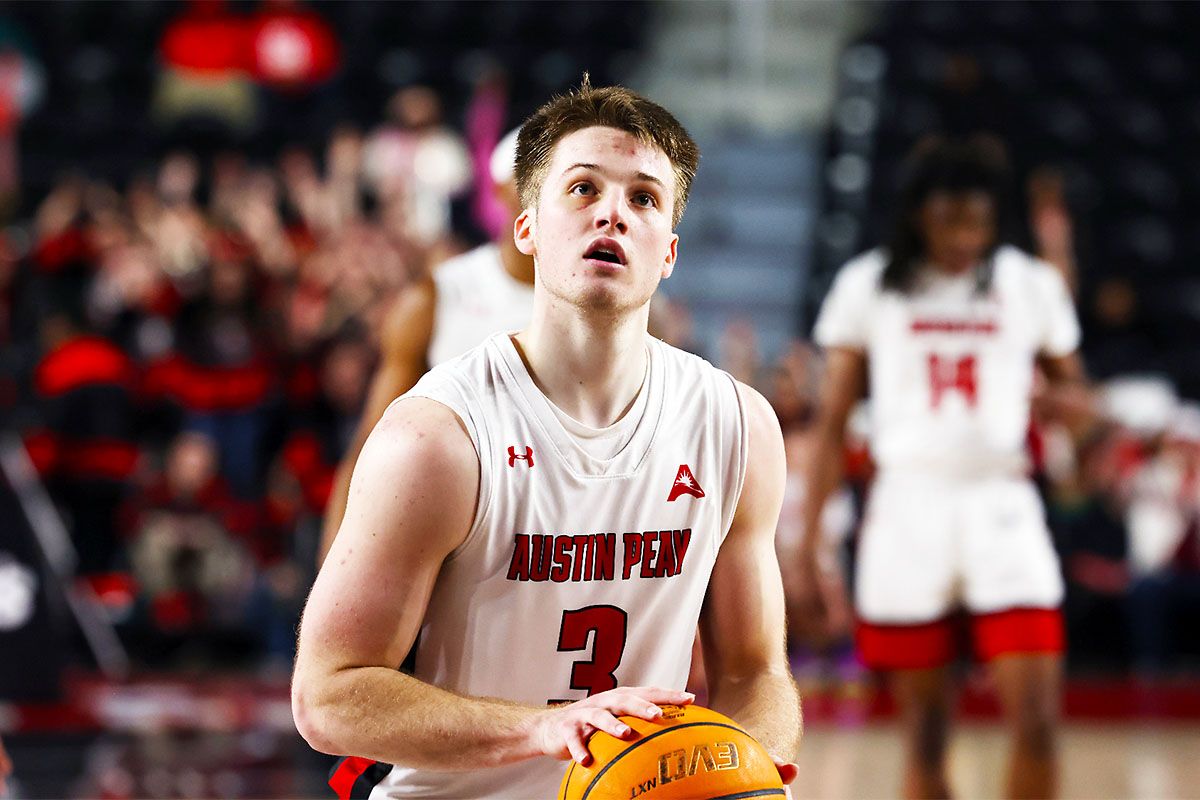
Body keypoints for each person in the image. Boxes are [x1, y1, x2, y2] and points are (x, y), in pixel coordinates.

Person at [292, 79, 801, 798]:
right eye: (583, 189)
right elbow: (327, 697)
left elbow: (756, 673)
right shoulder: (437, 436)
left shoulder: (737, 425)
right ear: (525, 228)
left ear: (670, 254)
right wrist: (541, 728)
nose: (612, 215)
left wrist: (753, 771)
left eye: (644, 198)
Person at [800, 137, 1087, 800]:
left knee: (1039, 723)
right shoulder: (866, 284)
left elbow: (1075, 390)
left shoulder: (1029, 283)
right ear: (918, 217)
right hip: (907, 507)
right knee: (926, 735)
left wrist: (1076, 405)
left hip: (1002, 502)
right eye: (950, 220)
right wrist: (810, 540)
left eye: (978, 223)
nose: (965, 237)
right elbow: (834, 419)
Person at [318, 129, 535, 565]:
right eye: (531, 178)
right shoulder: (436, 296)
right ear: (500, 190)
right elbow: (371, 448)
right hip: (458, 529)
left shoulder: (615, 303)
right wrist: (330, 577)